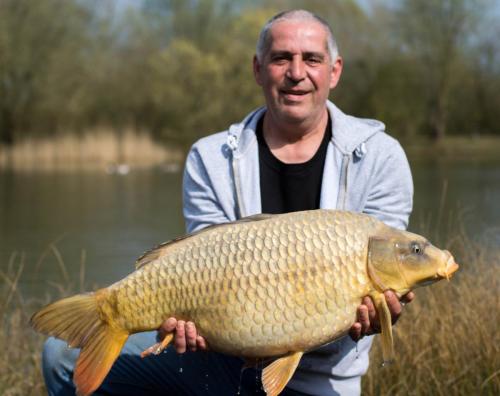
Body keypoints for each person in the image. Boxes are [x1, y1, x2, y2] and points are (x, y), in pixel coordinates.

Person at [42, 9, 414, 396]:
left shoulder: (380, 158)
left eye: (312, 59)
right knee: (60, 356)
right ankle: (113, 312)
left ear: (334, 71)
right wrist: (186, 322)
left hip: (323, 381)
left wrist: (383, 315)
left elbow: (392, 273)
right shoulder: (210, 157)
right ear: (258, 69)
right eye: (281, 58)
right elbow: (200, 266)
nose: (296, 72)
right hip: (218, 363)